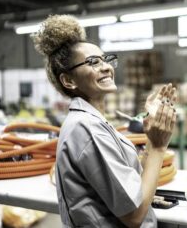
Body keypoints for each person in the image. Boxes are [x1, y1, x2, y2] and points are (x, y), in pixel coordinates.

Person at [32, 14, 177, 227]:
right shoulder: (87, 129)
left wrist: (150, 138)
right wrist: (158, 146)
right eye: (92, 62)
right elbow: (133, 215)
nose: (106, 67)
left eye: (105, 59)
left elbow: (130, 182)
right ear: (69, 80)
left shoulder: (92, 122)